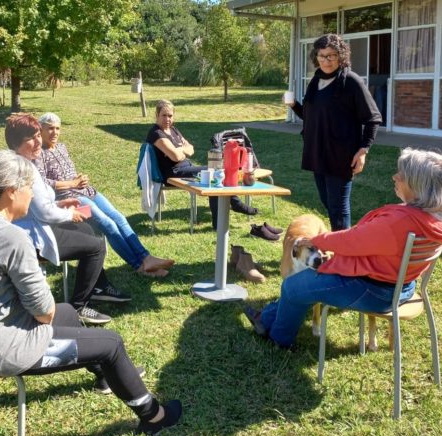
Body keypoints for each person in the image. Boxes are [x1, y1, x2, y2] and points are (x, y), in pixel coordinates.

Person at [0, 149, 182, 436]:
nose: (32, 194)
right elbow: (44, 313)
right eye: (29, 187)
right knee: (111, 344)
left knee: (69, 312)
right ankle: (154, 416)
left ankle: (105, 376)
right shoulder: (11, 237)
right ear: (10, 192)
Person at [244, 148, 442, 349]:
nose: (394, 177)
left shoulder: (398, 224)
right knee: (302, 285)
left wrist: (316, 241)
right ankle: (264, 319)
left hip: (373, 290)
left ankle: (279, 340)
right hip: (402, 286)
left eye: (402, 176)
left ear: (419, 187)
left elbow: (350, 241)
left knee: (294, 286)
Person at [6, 113, 128, 325]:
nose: (38, 141)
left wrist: (60, 204)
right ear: (17, 143)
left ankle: (98, 286)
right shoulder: (25, 168)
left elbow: (39, 205)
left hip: (36, 225)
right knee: (97, 247)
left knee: (87, 231)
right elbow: (43, 213)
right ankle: (79, 307)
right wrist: (69, 213)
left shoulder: (23, 162)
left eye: (37, 136)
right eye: (31, 138)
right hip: (32, 236)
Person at [35, 112, 175, 278]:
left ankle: (146, 257)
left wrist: (80, 178)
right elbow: (42, 183)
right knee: (107, 224)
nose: (55, 132)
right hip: (69, 199)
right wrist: (72, 184)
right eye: (50, 128)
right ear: (41, 130)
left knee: (119, 218)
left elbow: (67, 172)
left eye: (57, 128)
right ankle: (139, 266)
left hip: (86, 191)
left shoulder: (61, 147)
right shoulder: (39, 154)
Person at [286, 34, 382, 231]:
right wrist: (294, 104)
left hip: (340, 154)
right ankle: (342, 244)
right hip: (317, 152)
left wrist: (363, 150)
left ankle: (343, 254)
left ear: (341, 56)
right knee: (328, 202)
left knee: (338, 207)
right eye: (322, 56)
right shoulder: (316, 80)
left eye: (331, 56)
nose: (326, 61)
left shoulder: (351, 82)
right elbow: (310, 115)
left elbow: (373, 118)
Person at [145, 99, 258, 229]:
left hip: (186, 167)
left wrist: (181, 150)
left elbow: (191, 148)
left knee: (214, 174)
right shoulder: (156, 133)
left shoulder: (173, 130)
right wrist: (182, 150)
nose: (167, 119)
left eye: (170, 116)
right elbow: (175, 157)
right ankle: (233, 206)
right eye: (163, 115)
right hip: (172, 174)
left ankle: (225, 214)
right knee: (214, 172)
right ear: (157, 116)